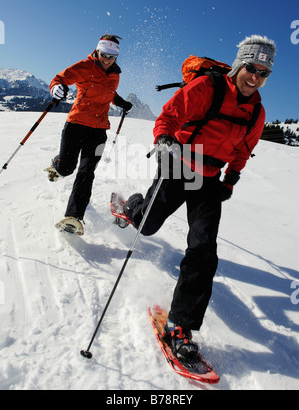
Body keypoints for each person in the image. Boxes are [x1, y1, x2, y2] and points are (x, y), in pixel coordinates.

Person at [120, 35, 276, 363]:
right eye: (252, 67)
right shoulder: (208, 86)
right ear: (239, 64)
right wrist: (163, 137)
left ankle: (180, 326)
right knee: (146, 227)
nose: (256, 77)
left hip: (209, 178)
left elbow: (243, 152)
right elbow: (169, 115)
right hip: (177, 163)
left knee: (203, 249)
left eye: (264, 72)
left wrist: (229, 183)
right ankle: (130, 205)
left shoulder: (256, 112)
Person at [45, 34, 132, 235]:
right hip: (76, 124)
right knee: (67, 168)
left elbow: (109, 93)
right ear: (98, 51)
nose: (107, 59)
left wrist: (120, 102)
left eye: (112, 56)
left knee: (86, 173)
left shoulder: (115, 74)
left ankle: (73, 217)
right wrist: (56, 87)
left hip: (99, 130)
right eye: (104, 54)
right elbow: (59, 79)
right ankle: (58, 163)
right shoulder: (85, 66)